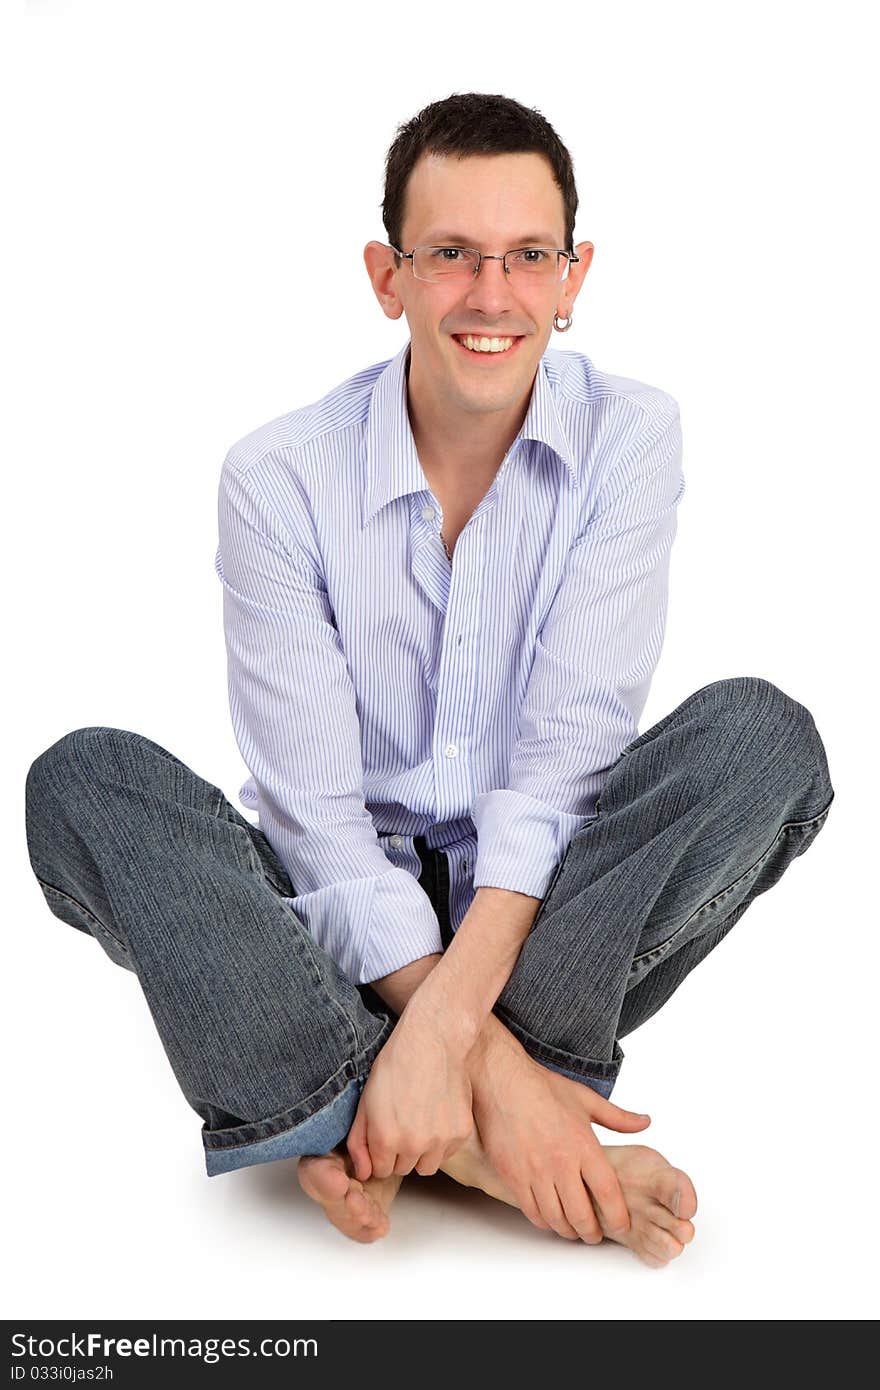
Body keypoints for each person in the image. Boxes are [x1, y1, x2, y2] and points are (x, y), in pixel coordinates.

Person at [24, 92, 834, 1268]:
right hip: (335, 933)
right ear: (386, 274)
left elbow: (566, 766)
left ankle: (345, 1102)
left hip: (549, 927)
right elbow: (317, 825)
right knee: (83, 782)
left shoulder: (632, 434)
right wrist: (484, 1059)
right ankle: (487, 1140)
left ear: (574, 274)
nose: (491, 295)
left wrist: (456, 1018)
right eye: (450, 254)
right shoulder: (276, 478)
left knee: (766, 740)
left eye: (527, 257)